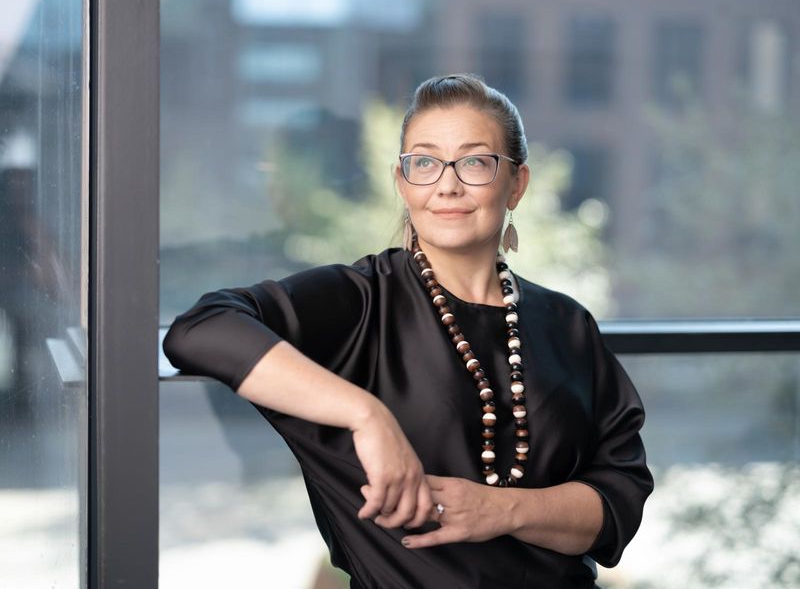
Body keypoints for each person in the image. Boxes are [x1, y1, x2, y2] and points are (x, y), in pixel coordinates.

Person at [162, 73, 654, 588]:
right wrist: (366, 414)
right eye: (424, 162)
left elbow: (619, 502)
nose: (447, 184)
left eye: (474, 162)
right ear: (402, 182)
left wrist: (501, 510)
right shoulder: (361, 301)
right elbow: (202, 328)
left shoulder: (568, 323)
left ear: (516, 183)